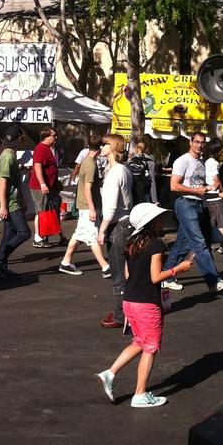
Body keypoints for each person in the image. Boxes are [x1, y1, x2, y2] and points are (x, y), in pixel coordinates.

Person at [95, 203, 193, 408]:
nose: (162, 221)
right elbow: (156, 277)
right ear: (151, 222)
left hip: (130, 300)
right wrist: (178, 269)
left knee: (139, 341)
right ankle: (139, 394)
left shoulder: (132, 242)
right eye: (159, 218)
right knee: (150, 347)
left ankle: (110, 373)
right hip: (147, 303)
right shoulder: (156, 244)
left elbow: (128, 274)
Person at [162, 133, 223, 295]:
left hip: (200, 204)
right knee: (199, 243)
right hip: (186, 204)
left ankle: (166, 277)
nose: (200, 145)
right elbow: (174, 186)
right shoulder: (182, 161)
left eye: (202, 143)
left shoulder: (201, 162)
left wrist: (213, 191)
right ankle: (214, 281)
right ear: (190, 143)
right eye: (197, 142)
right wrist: (196, 190)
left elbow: (202, 186)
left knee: (183, 244)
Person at [57, 135, 111, 277]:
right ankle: (105, 267)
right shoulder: (91, 164)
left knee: (79, 234)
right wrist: (92, 208)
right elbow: (87, 188)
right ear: (100, 148)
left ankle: (65, 262)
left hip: (84, 205)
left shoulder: (87, 160)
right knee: (92, 236)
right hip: (87, 206)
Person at [97, 134, 135, 328]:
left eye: (104, 144)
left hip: (117, 225)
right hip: (125, 222)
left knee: (118, 273)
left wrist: (102, 231)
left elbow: (111, 207)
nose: (101, 147)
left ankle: (121, 315)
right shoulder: (120, 170)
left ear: (112, 147)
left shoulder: (115, 173)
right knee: (124, 271)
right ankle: (125, 311)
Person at [0, 124, 31, 278]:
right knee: (24, 232)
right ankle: (0, 258)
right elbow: (2, 181)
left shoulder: (8, 155)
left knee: (9, 234)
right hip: (10, 203)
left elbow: (10, 180)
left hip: (12, 201)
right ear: (19, 139)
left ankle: (1, 270)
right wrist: (3, 206)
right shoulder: (8, 157)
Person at [28, 126, 62, 247]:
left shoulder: (47, 149)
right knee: (41, 211)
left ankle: (43, 235)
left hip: (48, 186)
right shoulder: (41, 149)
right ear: (45, 137)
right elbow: (37, 167)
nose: (56, 137)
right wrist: (43, 184)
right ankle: (38, 238)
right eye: (54, 135)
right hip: (39, 187)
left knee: (45, 210)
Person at [204, 139, 223, 253]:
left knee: (211, 221)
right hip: (215, 195)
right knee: (221, 220)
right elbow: (216, 180)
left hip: (207, 195)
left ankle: (209, 244)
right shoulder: (214, 163)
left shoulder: (206, 161)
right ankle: (222, 245)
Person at [127, 138, 156, 204]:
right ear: (146, 149)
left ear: (136, 148)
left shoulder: (130, 161)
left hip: (132, 190)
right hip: (145, 192)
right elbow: (152, 182)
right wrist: (155, 200)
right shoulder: (150, 162)